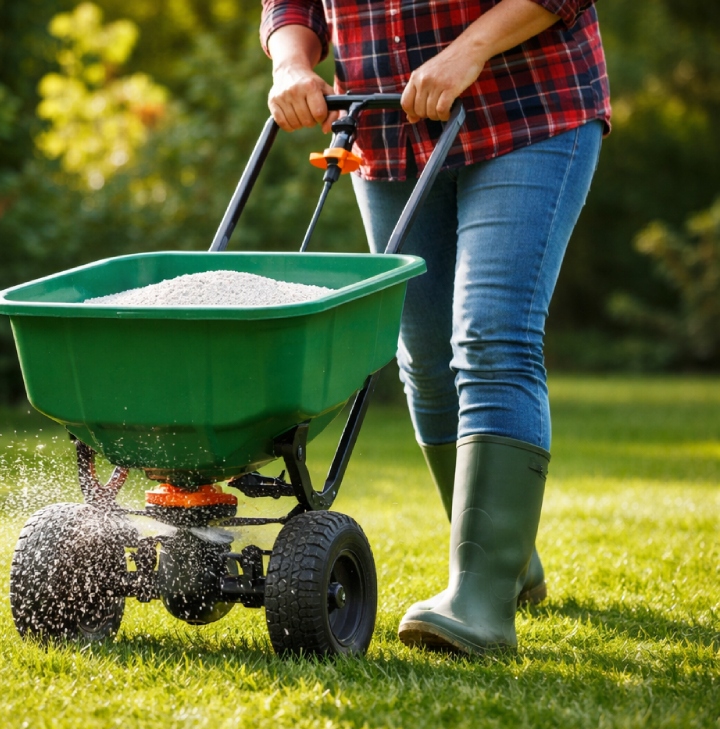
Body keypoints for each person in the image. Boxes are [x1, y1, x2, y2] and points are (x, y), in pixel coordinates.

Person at [260, 0, 611, 655]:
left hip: (528, 109)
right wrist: (291, 64)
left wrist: (469, 50)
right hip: (391, 124)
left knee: (492, 339)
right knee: (421, 353)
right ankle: (508, 560)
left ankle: (480, 600)